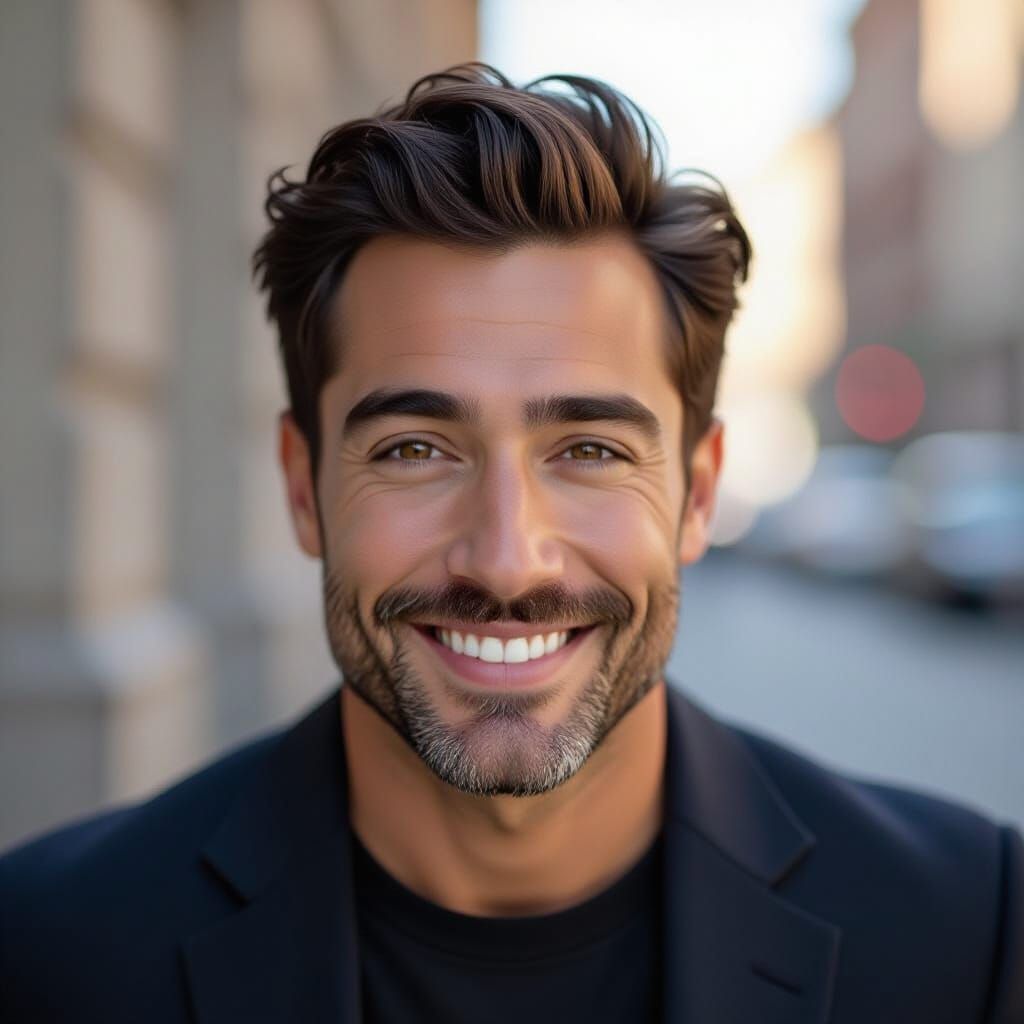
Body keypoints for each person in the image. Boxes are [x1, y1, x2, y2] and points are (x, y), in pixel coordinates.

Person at [0, 63, 1021, 1024]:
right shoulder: (52, 950)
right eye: (411, 448)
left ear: (697, 493)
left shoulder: (966, 932)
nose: (505, 559)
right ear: (301, 486)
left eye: (585, 447)